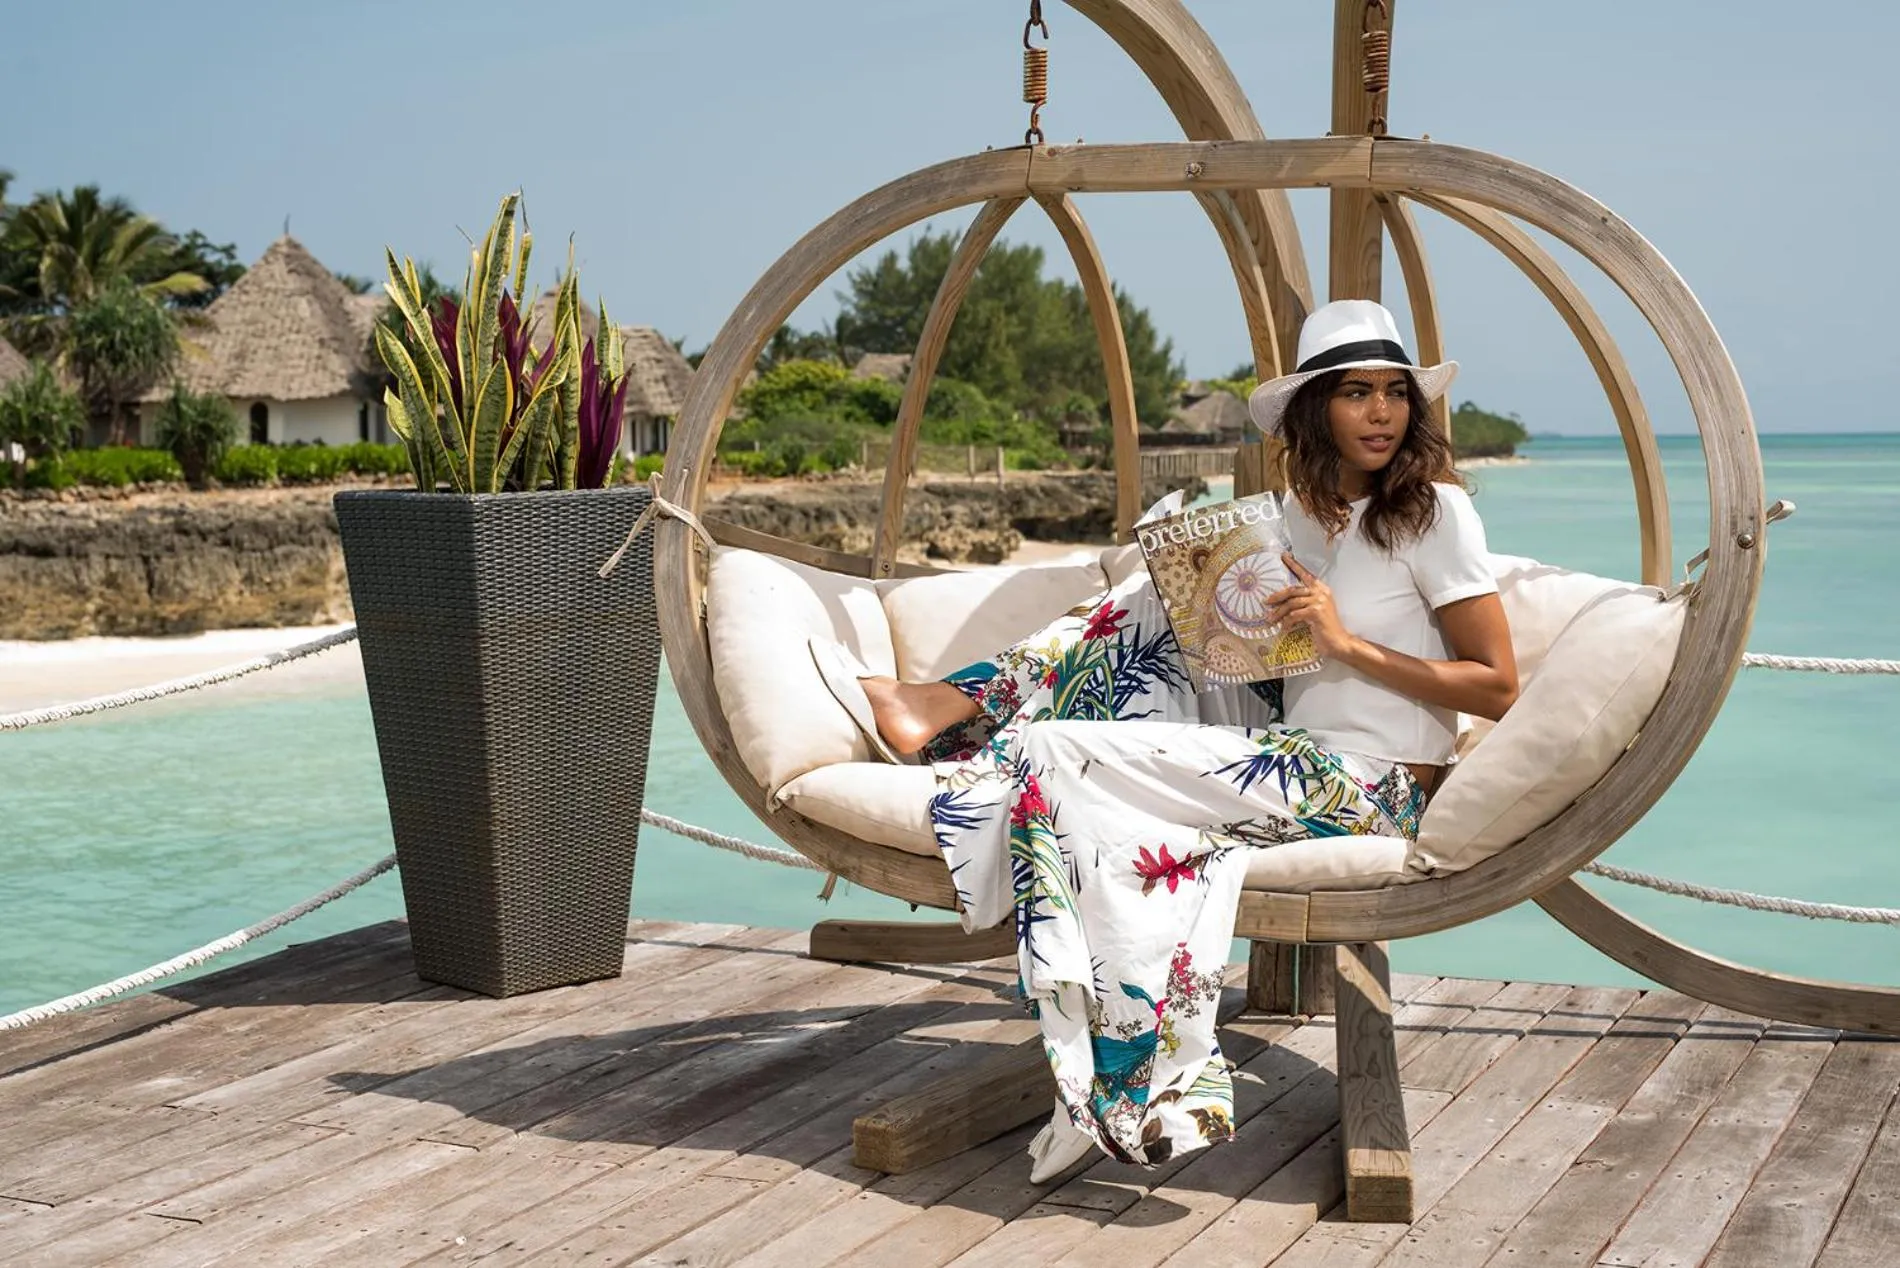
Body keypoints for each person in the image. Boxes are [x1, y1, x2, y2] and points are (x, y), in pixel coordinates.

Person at [812, 300, 1518, 1180]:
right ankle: (1108, 1081)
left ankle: (973, 740)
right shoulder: (1292, 520)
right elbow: (1256, 660)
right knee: (1154, 601)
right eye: (1354, 393)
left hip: (1373, 784)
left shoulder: (1432, 516)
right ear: (1315, 412)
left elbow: (1496, 684)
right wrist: (1209, 596)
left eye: (1393, 394)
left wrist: (1345, 645)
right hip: (1277, 753)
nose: (1381, 413)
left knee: (1056, 759)